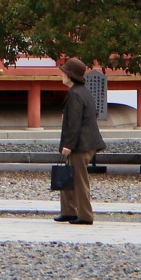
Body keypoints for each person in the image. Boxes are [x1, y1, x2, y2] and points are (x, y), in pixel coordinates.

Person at [56, 56, 106, 225]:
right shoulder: (80, 91)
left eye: (63, 72)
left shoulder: (76, 94)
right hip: (84, 142)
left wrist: (68, 145)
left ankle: (85, 215)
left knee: (78, 180)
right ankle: (68, 211)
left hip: (81, 144)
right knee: (68, 177)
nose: (61, 75)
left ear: (70, 75)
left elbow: (75, 123)